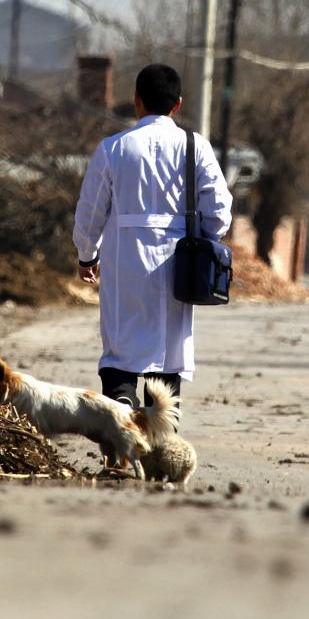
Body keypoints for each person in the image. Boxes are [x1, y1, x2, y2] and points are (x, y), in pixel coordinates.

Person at [73, 62, 232, 413]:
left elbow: (90, 210)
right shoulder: (196, 147)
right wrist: (202, 241)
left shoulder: (113, 148)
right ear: (178, 104)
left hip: (123, 263)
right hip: (179, 264)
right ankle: (162, 440)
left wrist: (88, 255)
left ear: (136, 100)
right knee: (168, 356)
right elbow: (219, 209)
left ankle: (121, 419)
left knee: (120, 352)